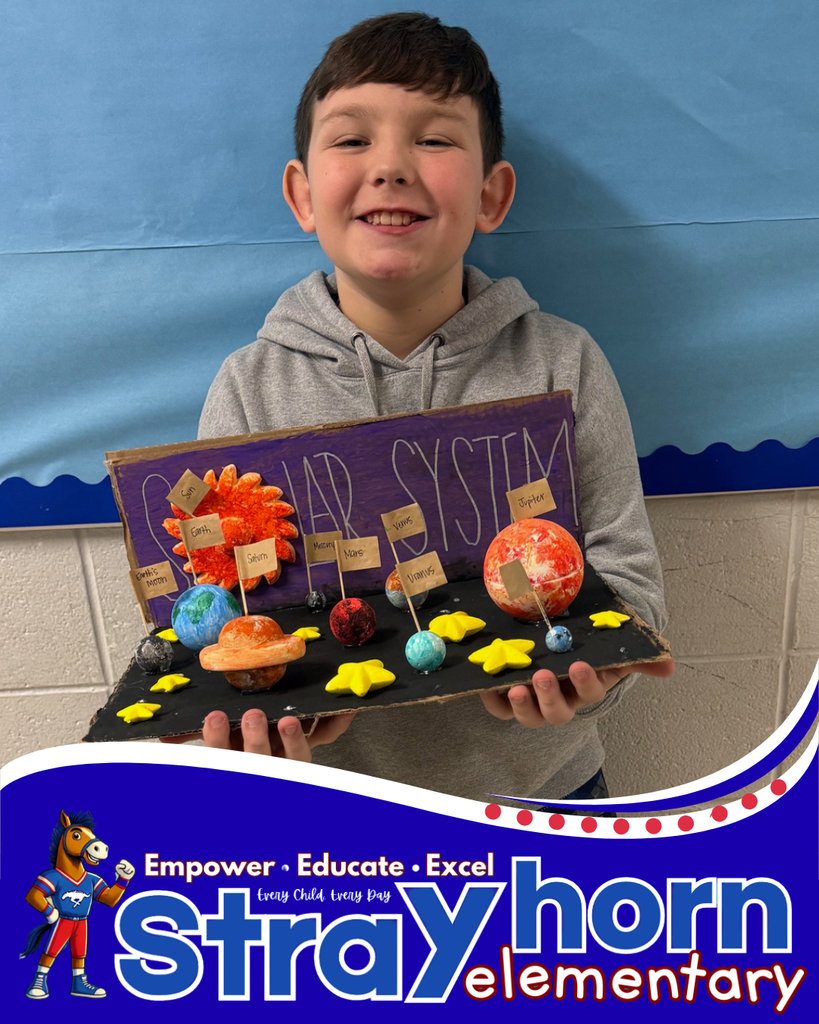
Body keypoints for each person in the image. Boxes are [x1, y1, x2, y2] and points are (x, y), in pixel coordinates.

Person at [194, 12, 674, 801]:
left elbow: (630, 583)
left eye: (434, 139)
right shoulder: (249, 387)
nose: (389, 167)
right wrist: (270, 711)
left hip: (544, 802)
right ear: (301, 194)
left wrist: (596, 672)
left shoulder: (563, 362)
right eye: (351, 141)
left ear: (491, 194)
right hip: (329, 811)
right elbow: (214, 610)